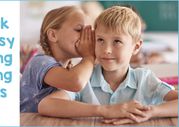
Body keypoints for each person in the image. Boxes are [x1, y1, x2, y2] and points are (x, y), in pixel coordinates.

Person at [38, 6, 178, 124]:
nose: (106, 50)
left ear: (136, 47)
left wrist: (152, 111)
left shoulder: (144, 79)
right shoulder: (86, 78)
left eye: (117, 41)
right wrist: (104, 110)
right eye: (100, 40)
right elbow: (45, 105)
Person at [20, 6, 96, 112]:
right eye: (79, 30)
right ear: (53, 35)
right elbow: (75, 82)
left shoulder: (71, 68)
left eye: (88, 32)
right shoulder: (39, 62)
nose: (85, 38)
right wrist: (89, 56)